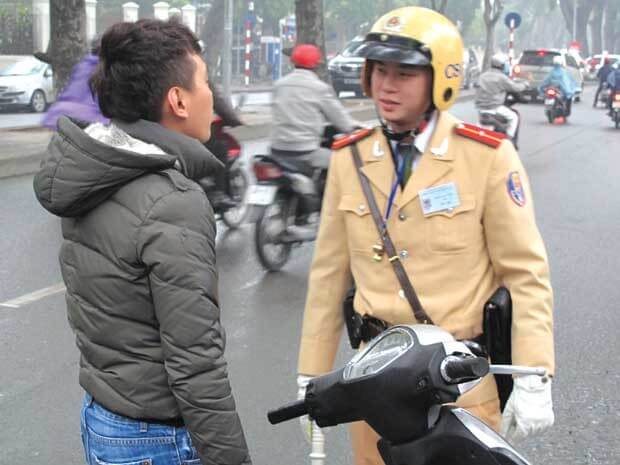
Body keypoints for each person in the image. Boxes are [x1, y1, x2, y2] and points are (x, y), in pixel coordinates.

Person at [296, 7, 555, 465]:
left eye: (404, 73)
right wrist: (310, 375)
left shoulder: (487, 157)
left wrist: (535, 376)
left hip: (456, 383)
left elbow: (526, 274)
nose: (386, 85)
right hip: (372, 387)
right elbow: (327, 279)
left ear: (441, 78)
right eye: (378, 70)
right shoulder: (349, 159)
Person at [33, 18, 252, 465]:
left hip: (104, 420)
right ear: (178, 100)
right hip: (156, 440)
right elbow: (195, 362)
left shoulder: (95, 168)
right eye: (205, 82)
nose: (212, 95)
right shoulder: (173, 199)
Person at [270, 43, 358, 172]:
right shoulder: (319, 88)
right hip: (305, 151)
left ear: (293, 61)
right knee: (346, 164)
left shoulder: (279, 85)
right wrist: (357, 127)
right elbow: (343, 122)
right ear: (316, 65)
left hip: (276, 150)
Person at [475, 52, 528, 141]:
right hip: (495, 107)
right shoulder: (502, 78)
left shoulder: (482, 76)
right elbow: (515, 88)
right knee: (514, 117)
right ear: (502, 65)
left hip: (481, 109)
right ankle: (510, 139)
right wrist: (525, 84)